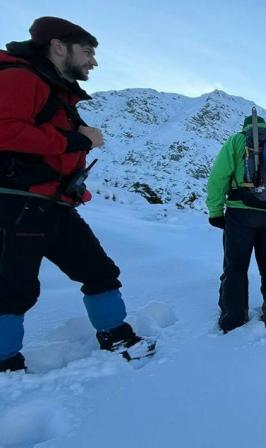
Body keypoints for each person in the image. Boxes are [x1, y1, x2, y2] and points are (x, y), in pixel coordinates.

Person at [0, 17, 155, 372]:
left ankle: (115, 334)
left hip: (53, 206)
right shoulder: (20, 79)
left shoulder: (56, 91)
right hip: (16, 202)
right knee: (12, 289)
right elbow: (5, 131)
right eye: (87, 51)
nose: (93, 62)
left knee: (99, 271)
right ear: (58, 46)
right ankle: (4, 364)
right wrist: (78, 139)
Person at [206, 114, 266, 333]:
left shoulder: (238, 140)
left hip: (240, 214)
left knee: (236, 266)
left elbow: (218, 178)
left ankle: (234, 317)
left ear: (246, 127)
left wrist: (216, 211)